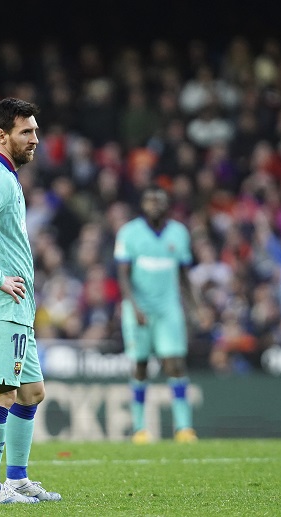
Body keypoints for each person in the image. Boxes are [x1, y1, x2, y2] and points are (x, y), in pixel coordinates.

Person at [0, 98, 61, 504]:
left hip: (16, 309)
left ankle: (16, 479)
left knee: (31, 391)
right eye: (27, 132)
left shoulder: (7, 175)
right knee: (0, 390)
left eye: (35, 130)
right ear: (2, 135)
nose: (36, 139)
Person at [114, 186, 199, 444]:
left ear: (167, 204)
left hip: (168, 308)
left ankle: (183, 428)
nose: (154, 204)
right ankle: (140, 428)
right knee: (140, 365)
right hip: (139, 308)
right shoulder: (129, 233)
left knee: (175, 364)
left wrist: (196, 306)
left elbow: (184, 275)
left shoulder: (179, 233)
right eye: (149, 200)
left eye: (159, 200)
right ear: (142, 205)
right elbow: (123, 276)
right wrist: (134, 307)